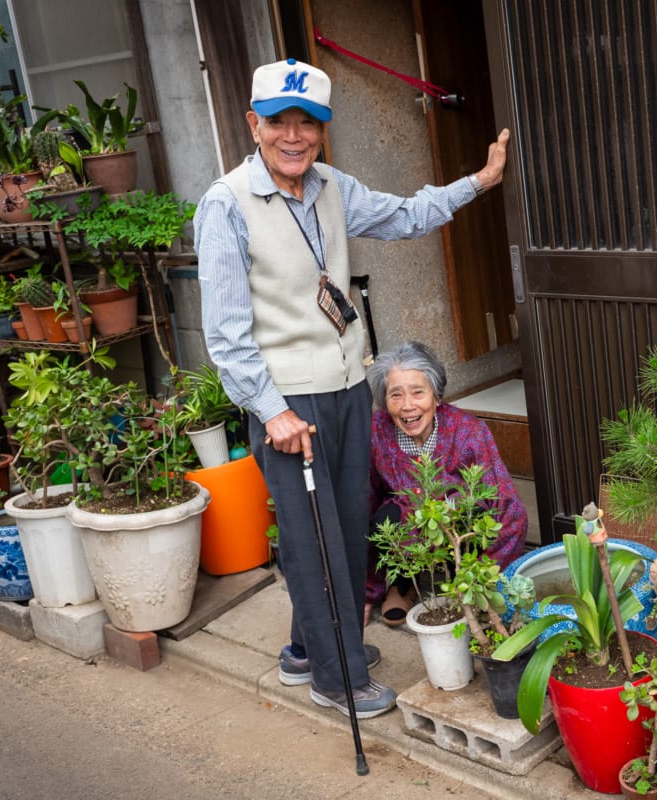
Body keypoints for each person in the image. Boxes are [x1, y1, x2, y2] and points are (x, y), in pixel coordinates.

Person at [194, 58, 510, 719]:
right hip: (288, 404)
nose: (293, 136)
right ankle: (336, 680)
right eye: (278, 122)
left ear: (321, 132)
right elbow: (224, 334)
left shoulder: (333, 186)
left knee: (346, 530)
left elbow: (404, 214)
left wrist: (477, 182)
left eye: (306, 124)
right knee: (312, 541)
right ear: (254, 125)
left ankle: (306, 651)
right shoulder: (227, 204)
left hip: (344, 389)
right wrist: (272, 411)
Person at [366, 341, 527, 625]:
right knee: (381, 517)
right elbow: (365, 499)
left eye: (418, 392)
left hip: (459, 527)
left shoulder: (468, 431)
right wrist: (367, 591)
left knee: (479, 513)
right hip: (409, 524)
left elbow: (507, 508)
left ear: (436, 396)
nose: (407, 406)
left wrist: (485, 572)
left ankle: (467, 580)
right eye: (395, 395)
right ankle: (402, 582)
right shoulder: (377, 432)